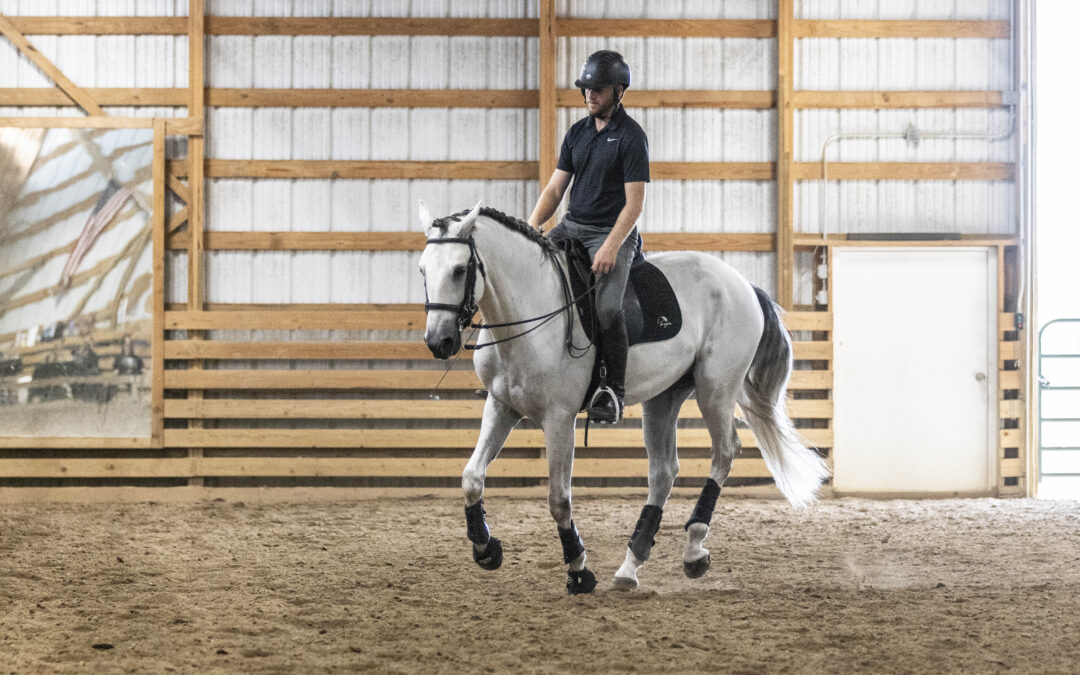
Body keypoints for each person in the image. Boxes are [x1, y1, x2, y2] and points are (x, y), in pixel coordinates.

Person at [527, 50, 649, 424]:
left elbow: (634, 205)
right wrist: (531, 228)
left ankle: (613, 390)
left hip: (612, 232)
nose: (589, 95)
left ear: (618, 90)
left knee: (608, 307)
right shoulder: (577, 133)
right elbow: (554, 191)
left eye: (597, 89)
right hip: (573, 226)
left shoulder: (631, 137)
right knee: (533, 278)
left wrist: (612, 246)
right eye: (586, 89)